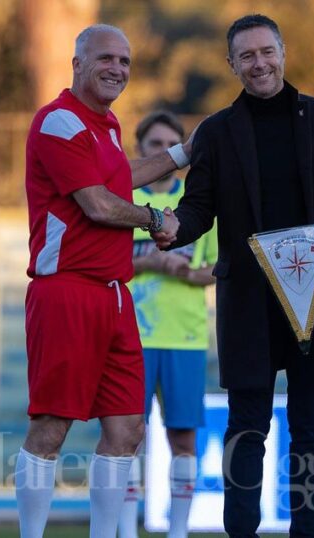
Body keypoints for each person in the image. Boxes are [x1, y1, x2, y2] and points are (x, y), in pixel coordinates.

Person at [164, 14, 314, 538]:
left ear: (283, 52)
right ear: (231, 64)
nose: (259, 63)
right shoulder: (215, 132)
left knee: (311, 432)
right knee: (245, 430)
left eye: (267, 51)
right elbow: (197, 211)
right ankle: (241, 532)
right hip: (249, 307)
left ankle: (308, 533)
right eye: (247, 56)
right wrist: (166, 227)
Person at [16, 24, 190, 538]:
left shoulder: (107, 125)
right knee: (51, 426)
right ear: (76, 63)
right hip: (66, 289)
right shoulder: (58, 121)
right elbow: (97, 203)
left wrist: (185, 153)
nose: (118, 68)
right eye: (106, 58)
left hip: (115, 295)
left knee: (128, 429)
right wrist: (158, 220)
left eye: (126, 61)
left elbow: (118, 177)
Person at [117, 111, 218, 538]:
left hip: (185, 337)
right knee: (124, 440)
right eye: (154, 145)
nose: (163, 153)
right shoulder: (121, 201)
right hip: (129, 337)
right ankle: (123, 529)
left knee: (182, 440)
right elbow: (107, 261)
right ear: (140, 150)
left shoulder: (196, 205)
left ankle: (178, 532)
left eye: (170, 145)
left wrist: (179, 272)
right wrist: (154, 261)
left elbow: (215, 269)